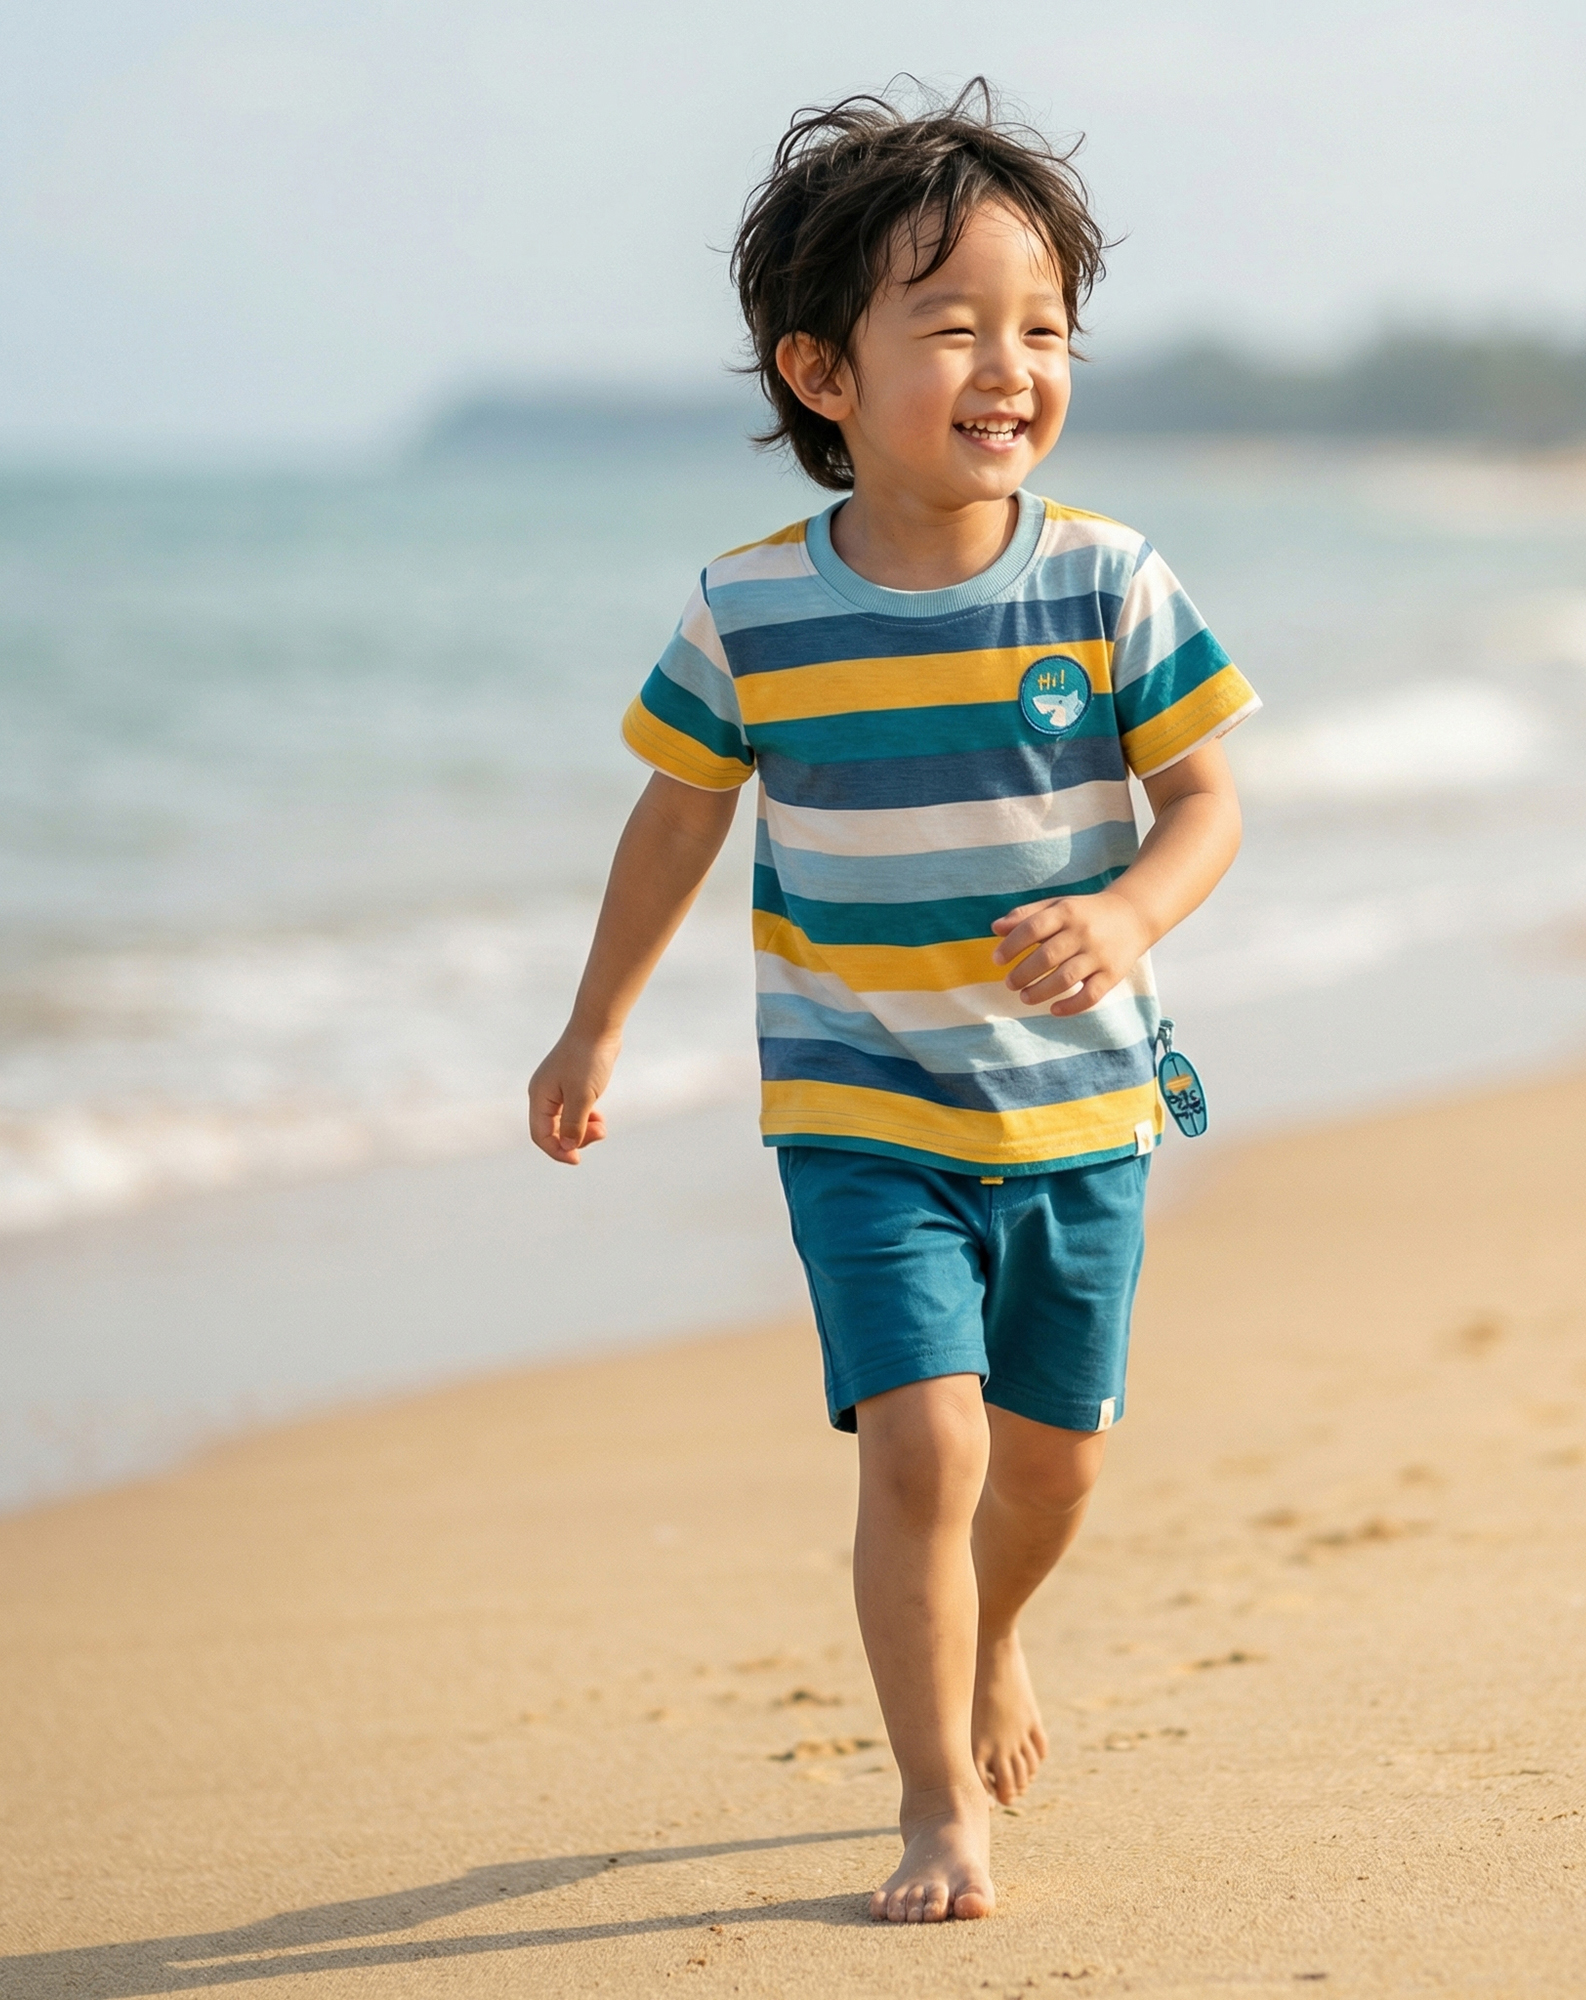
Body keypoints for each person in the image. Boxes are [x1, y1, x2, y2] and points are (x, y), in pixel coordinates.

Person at [528, 80, 1257, 1924]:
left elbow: (1209, 801)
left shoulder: (1106, 579)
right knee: (926, 1441)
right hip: (857, 1096)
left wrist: (1128, 915)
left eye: (1043, 328)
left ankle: (992, 1635)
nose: (1011, 364)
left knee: (1052, 1464)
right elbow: (677, 814)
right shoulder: (752, 613)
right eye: (954, 326)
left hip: (1078, 1098)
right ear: (823, 374)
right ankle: (937, 1803)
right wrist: (593, 1023)